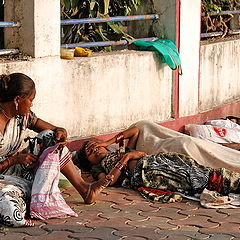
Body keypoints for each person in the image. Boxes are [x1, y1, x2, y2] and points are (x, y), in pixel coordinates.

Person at [0, 73, 112, 227]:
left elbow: (43, 125)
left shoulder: (21, 117)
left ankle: (84, 189)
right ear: (17, 100)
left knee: (51, 138)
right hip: (3, 176)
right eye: (30, 100)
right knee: (8, 203)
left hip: (19, 168)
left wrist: (60, 131)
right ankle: (33, 197)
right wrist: (14, 160)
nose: (31, 105)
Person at [74, 120, 240, 202]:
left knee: (197, 170)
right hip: (147, 174)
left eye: (94, 145)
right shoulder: (99, 167)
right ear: (88, 161)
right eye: (88, 151)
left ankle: (233, 181)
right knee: (190, 177)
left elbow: (136, 130)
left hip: (158, 160)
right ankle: (232, 183)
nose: (93, 148)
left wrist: (107, 142)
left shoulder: (120, 151)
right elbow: (108, 181)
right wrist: (126, 158)